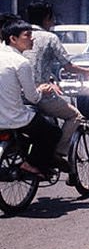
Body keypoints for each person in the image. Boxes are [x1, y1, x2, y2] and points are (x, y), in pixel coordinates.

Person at [22, 0, 89, 158]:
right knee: (75, 116)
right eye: (52, 18)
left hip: (15, 93)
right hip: (39, 94)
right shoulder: (49, 38)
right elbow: (68, 66)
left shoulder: (19, 35)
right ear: (47, 17)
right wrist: (87, 71)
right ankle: (58, 152)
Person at [0, 18, 61, 176]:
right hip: (12, 118)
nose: (32, 38)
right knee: (53, 132)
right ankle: (31, 164)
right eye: (27, 35)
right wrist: (42, 89)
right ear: (13, 39)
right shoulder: (21, 62)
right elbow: (33, 98)